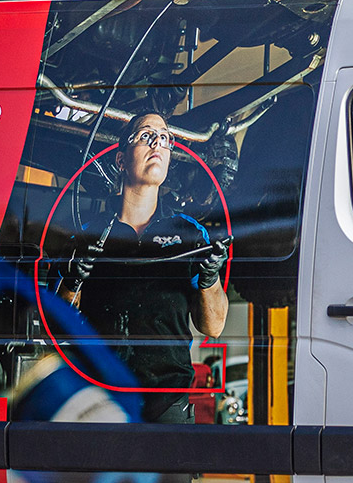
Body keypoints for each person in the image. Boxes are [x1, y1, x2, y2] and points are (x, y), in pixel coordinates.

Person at [59, 112, 230, 423]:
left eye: (165, 138)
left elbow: (213, 327)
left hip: (167, 404)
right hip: (100, 401)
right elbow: (57, 325)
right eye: (145, 135)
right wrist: (72, 280)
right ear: (122, 160)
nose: (158, 143)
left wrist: (209, 279)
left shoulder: (190, 233)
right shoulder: (89, 232)